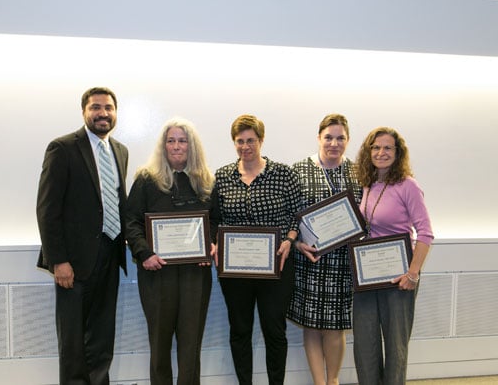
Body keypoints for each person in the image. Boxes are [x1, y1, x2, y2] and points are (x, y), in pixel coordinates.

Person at [36, 87, 128, 385]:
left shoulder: (120, 151)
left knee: (102, 338)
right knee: (74, 342)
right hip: (73, 263)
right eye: (96, 107)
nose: (103, 113)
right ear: (84, 111)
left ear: (115, 112)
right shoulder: (62, 148)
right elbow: (47, 209)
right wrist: (58, 261)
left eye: (109, 108)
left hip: (110, 255)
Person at [126, 117, 219, 385]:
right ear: (163, 146)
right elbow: (131, 221)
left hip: (194, 273)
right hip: (158, 273)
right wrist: (144, 254)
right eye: (171, 141)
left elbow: (215, 220)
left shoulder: (205, 181)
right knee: (159, 343)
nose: (176, 146)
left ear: (192, 146)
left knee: (191, 344)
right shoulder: (147, 179)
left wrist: (210, 244)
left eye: (182, 140)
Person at [212, 114, 301, 385]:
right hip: (235, 271)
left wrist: (290, 239)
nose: (245, 146)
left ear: (261, 140)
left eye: (251, 140)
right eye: (239, 141)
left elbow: (298, 215)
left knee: (275, 331)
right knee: (240, 330)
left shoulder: (284, 174)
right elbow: (214, 218)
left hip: (276, 267)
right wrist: (215, 244)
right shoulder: (222, 176)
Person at [352, 126, 434, 385]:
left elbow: (425, 233)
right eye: (375, 147)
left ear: (398, 153)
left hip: (399, 277)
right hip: (367, 277)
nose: (381, 152)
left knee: (396, 346)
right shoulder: (367, 182)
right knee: (365, 343)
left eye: (387, 147)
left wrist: (413, 273)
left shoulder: (408, 185)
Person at [287, 114, 363, 385]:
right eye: (328, 137)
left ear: (347, 140)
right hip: (310, 260)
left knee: (335, 325)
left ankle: (333, 380)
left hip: (343, 262)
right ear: (319, 138)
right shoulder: (298, 170)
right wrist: (296, 243)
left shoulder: (358, 172)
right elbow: (289, 216)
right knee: (311, 324)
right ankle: (319, 382)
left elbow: (365, 216)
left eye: (340, 138)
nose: (334, 143)